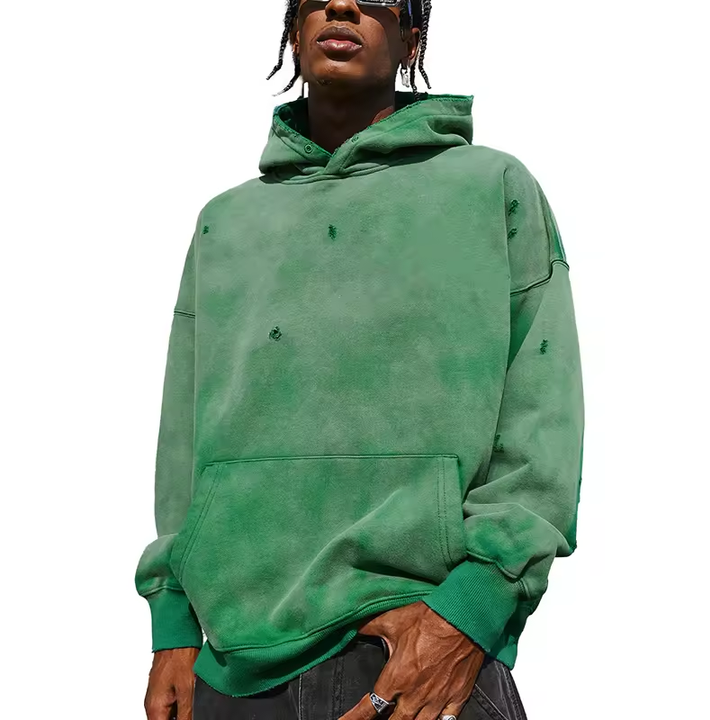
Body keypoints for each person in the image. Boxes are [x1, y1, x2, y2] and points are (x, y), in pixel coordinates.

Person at [135, 1, 585, 718]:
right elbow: (184, 439)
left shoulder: (490, 188)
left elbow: (543, 418)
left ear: (411, 35)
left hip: (416, 644)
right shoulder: (226, 222)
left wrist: (472, 609)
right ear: (293, 28)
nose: (342, 4)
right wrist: (173, 625)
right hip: (233, 669)